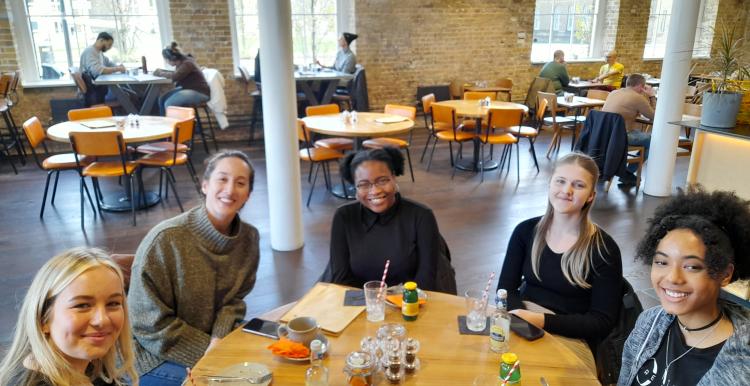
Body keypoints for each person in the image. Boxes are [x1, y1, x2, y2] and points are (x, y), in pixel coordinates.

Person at [128, 150, 260, 386]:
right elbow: (147, 324)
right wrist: (209, 350)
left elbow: (234, 301)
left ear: (248, 194)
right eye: (222, 179)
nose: (230, 190)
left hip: (211, 342)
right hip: (148, 355)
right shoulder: (166, 239)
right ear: (205, 185)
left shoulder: (249, 239)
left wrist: (219, 339)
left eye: (240, 183)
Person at [497, 152, 623, 368]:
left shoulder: (604, 249)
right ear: (550, 184)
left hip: (572, 337)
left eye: (579, 185)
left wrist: (542, 321)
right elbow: (506, 289)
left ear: (591, 195)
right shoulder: (525, 232)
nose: (567, 190)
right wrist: (521, 319)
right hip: (524, 324)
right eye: (561, 181)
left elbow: (601, 322)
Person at [618, 187, 750, 386]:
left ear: (725, 274)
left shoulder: (742, 368)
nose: (673, 278)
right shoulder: (649, 323)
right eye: (662, 262)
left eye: (692, 266)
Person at [321, 147, 455, 293]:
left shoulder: (421, 216)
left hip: (410, 302)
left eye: (382, 180)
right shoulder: (344, 217)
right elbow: (341, 278)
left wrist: (396, 303)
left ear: (394, 177)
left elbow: (426, 278)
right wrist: (373, 303)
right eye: (364, 185)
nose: (375, 191)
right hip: (361, 303)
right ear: (355, 188)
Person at [0, 247, 138, 386]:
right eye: (82, 305)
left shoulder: (87, 362)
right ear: (43, 319)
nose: (102, 320)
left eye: (113, 303)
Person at [602, 74, 656, 181]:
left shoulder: (614, 92)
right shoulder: (638, 98)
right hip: (622, 135)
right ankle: (627, 173)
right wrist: (651, 96)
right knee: (654, 142)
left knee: (639, 134)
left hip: (605, 134)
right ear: (641, 86)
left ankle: (624, 171)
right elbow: (654, 116)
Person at [153, 42, 211, 116]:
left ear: (171, 58)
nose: (166, 62)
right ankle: (166, 124)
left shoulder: (187, 63)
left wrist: (160, 73)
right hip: (189, 89)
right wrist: (162, 71)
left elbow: (175, 76)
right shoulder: (182, 62)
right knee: (162, 99)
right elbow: (177, 73)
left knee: (169, 104)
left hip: (199, 92)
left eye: (166, 59)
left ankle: (175, 126)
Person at [79, 32, 127, 105]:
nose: (109, 48)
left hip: (99, 88)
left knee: (126, 92)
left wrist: (119, 66)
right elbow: (98, 70)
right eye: (109, 45)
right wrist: (118, 69)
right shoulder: (90, 52)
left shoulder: (99, 52)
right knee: (125, 95)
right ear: (101, 40)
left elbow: (108, 62)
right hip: (94, 90)